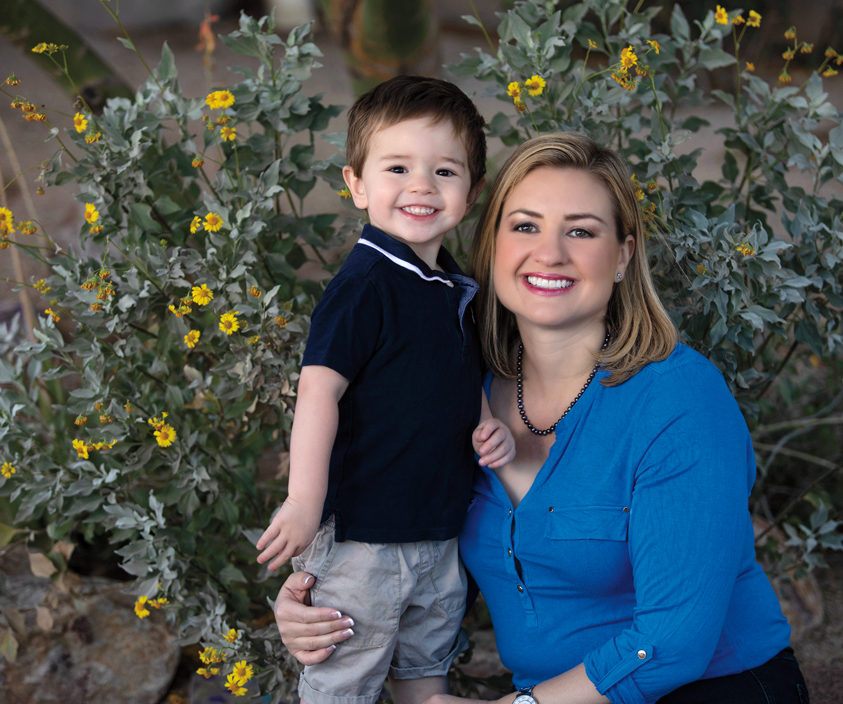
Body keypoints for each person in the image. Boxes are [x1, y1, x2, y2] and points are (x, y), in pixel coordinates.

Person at [273, 133, 808, 704]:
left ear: (623, 255)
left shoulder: (678, 401)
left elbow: (674, 641)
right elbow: (406, 547)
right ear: (493, 245)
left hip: (712, 687)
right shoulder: (459, 398)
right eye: (525, 226)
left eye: (581, 231)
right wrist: (321, 598)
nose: (550, 253)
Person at [256, 76, 515, 704]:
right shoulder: (366, 284)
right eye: (398, 167)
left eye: (445, 171)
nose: (422, 186)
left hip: (436, 526)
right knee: (343, 677)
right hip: (362, 538)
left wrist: (485, 420)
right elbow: (318, 389)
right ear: (357, 184)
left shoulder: (453, 286)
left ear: (472, 192)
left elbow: (451, 374)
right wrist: (303, 500)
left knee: (424, 671)